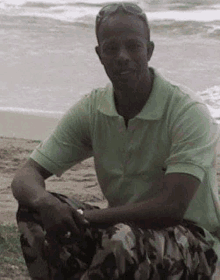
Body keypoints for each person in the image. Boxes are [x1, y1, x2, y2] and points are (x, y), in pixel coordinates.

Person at [11, 2, 220, 279]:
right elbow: (26, 175)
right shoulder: (94, 108)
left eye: (133, 46)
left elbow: (172, 207)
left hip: (194, 242)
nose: (122, 56)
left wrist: (87, 218)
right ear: (99, 55)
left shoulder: (186, 111)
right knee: (34, 211)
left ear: (150, 50)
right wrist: (45, 202)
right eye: (111, 48)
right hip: (122, 228)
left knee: (120, 238)